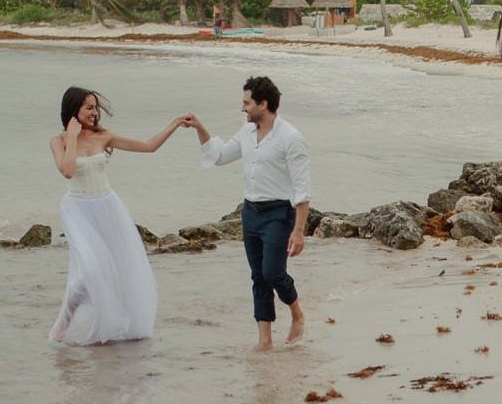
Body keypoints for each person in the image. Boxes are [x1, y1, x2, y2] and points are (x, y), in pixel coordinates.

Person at [47, 86, 184, 346]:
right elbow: (66, 171)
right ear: (73, 109)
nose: (94, 112)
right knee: (88, 269)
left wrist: (174, 124)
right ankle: (61, 328)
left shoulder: (104, 136)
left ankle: (115, 320)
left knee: (119, 268)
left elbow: (148, 146)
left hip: (108, 206)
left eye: (95, 107)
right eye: (88, 107)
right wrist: (72, 136)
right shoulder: (59, 141)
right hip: (77, 208)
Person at [185, 75, 310, 351]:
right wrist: (199, 127)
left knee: (273, 272)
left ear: (263, 104)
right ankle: (264, 340)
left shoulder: (291, 138)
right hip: (251, 213)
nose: (242, 109)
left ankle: (297, 312)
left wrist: (299, 231)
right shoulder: (246, 134)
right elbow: (219, 156)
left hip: (279, 213)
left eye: (246, 103)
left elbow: (302, 191)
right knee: (258, 276)